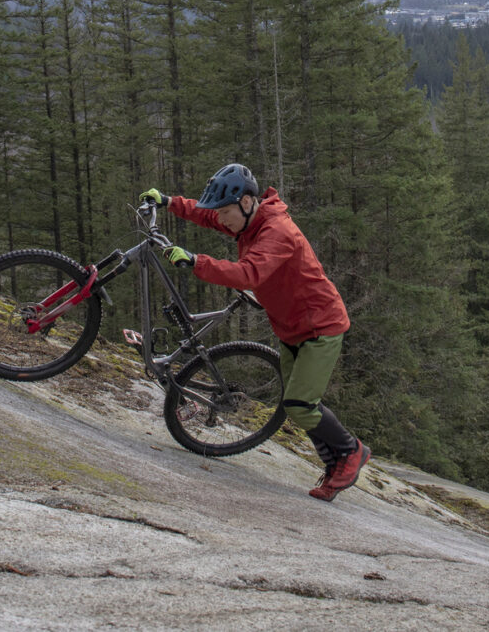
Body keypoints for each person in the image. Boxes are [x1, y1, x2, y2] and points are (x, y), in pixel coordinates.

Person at [140, 163, 371, 501]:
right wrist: (169, 201)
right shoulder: (247, 222)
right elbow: (207, 215)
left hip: (320, 327)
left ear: (247, 203)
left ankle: (351, 452)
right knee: (299, 403)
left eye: (227, 212)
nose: (222, 219)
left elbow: (248, 274)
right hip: (292, 326)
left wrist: (196, 261)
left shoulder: (278, 231)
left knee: (299, 403)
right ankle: (335, 463)